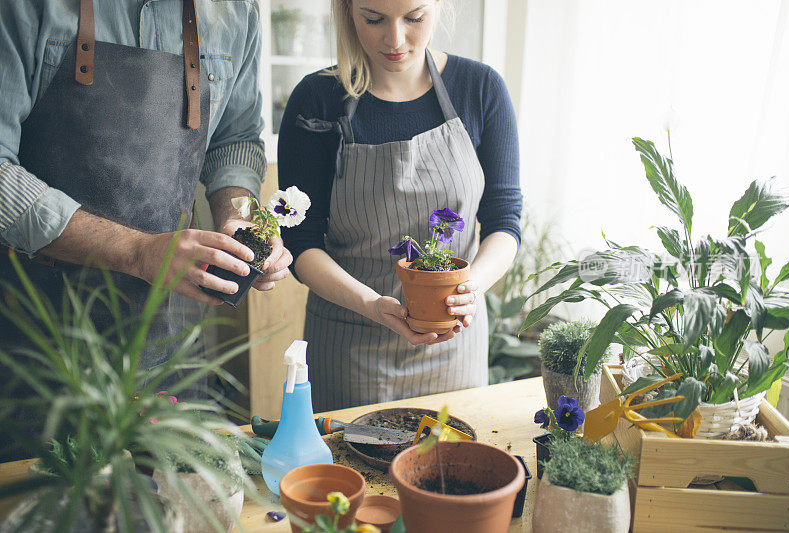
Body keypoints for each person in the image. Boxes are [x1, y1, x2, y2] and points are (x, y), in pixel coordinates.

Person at [0, 0, 291, 459]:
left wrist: (240, 215)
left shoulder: (235, 11)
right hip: (38, 346)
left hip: (171, 342)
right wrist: (138, 251)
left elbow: (234, 138)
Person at [279, 0, 523, 411]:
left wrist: (472, 286)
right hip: (349, 346)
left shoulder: (480, 88)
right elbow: (300, 244)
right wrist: (371, 305)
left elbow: (505, 221)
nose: (395, 40)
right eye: (373, 19)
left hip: (452, 349)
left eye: (414, 18)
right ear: (347, 10)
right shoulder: (317, 99)